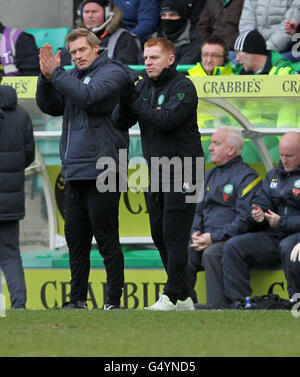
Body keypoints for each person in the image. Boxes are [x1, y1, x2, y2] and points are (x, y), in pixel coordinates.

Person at [36, 28, 134, 310]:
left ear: (96, 48)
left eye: (82, 50)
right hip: (75, 169)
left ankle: (113, 302)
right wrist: (45, 77)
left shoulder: (113, 72)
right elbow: (51, 105)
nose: (77, 56)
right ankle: (76, 300)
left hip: (104, 169)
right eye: (73, 52)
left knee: (106, 239)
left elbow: (90, 97)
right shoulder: (73, 77)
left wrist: (57, 75)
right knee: (76, 241)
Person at [116, 37, 204, 310]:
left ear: (170, 59)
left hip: (185, 168)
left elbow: (166, 120)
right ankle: (185, 297)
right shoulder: (142, 85)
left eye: (154, 57)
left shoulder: (183, 86)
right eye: (145, 57)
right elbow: (120, 121)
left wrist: (137, 103)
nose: (148, 62)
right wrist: (124, 97)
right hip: (158, 170)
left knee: (174, 233)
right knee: (158, 233)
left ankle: (171, 295)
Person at [222, 131, 300, 305]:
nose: (284, 160)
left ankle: (296, 302)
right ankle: (241, 303)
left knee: (288, 247)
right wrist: (258, 212)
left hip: (296, 236)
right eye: (281, 155)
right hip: (274, 235)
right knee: (233, 246)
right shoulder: (273, 175)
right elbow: (261, 199)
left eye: (290, 156)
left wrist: (283, 222)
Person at [187, 127, 261, 309]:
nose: (210, 148)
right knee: (183, 251)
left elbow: (245, 220)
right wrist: (196, 233)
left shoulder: (247, 177)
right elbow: (197, 211)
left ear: (231, 150)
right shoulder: (208, 175)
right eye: (211, 143)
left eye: (216, 143)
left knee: (213, 253)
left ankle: (218, 306)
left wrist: (213, 238)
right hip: (205, 237)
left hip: (229, 240)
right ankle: (184, 303)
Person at [0, 77, 35, 309]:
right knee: (11, 253)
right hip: (11, 200)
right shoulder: (22, 114)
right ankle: (19, 305)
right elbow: (29, 155)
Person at [61, 0, 141, 66]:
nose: (90, 16)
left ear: (108, 14)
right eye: (86, 12)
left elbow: (124, 72)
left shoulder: (124, 38)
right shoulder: (73, 39)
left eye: (95, 12)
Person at [151, 0, 203, 65]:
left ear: (182, 17)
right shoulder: (152, 39)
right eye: (163, 15)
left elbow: (184, 66)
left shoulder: (195, 41)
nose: (167, 18)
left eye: (172, 15)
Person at [234, 29, 300, 75]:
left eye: (238, 53)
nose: (237, 59)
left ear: (251, 51)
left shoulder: (286, 70)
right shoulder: (238, 73)